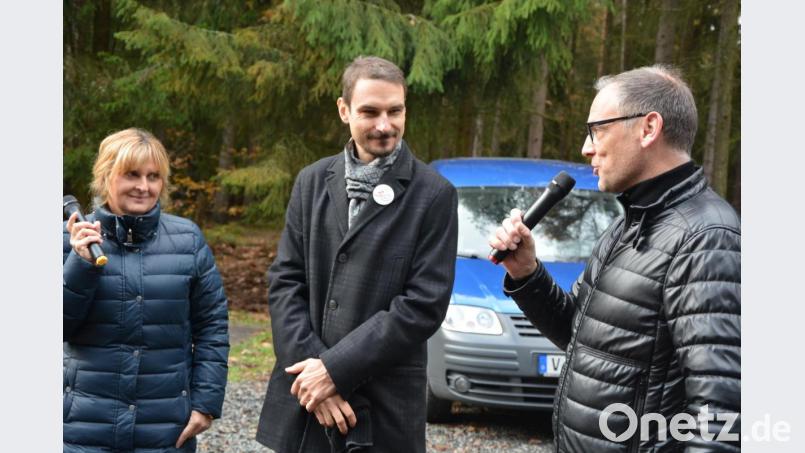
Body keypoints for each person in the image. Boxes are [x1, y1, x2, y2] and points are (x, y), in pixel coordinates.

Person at [489, 66, 740, 452]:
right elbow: (580, 335)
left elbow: (722, 413)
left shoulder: (707, 237)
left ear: (648, 128)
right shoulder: (628, 224)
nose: (586, 148)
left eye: (597, 130)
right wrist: (527, 273)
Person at [255, 56, 458, 453]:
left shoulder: (434, 195)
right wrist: (316, 376)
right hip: (306, 400)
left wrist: (335, 370)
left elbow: (422, 306)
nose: (385, 125)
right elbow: (285, 283)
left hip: (383, 407)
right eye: (370, 112)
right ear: (343, 110)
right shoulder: (312, 181)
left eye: (395, 111)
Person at [63, 128, 229, 452]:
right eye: (132, 175)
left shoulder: (188, 239)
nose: (143, 186)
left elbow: (212, 325)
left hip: (165, 431)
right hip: (82, 430)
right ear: (106, 175)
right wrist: (80, 265)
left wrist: (206, 402)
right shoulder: (70, 241)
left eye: (153, 176)